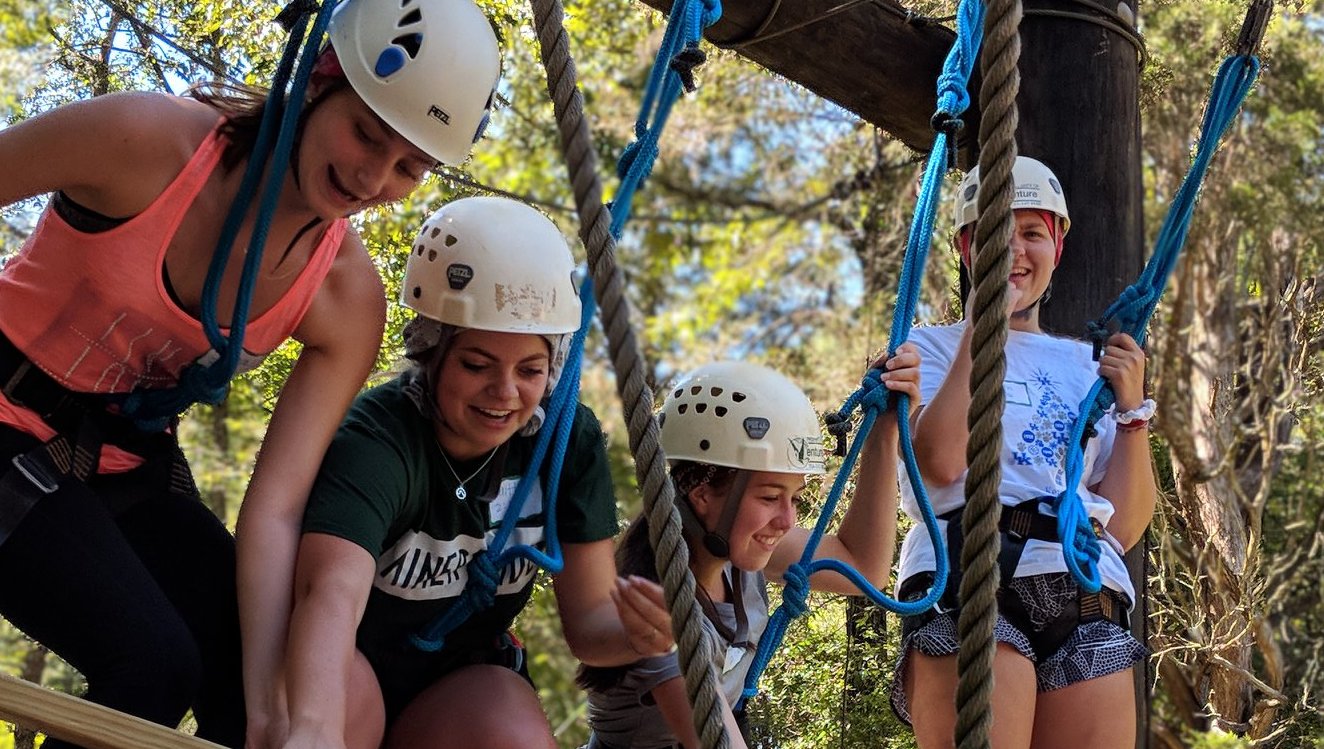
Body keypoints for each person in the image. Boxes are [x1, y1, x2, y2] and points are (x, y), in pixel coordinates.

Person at [0, 0, 499, 746]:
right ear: (318, 78)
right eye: (366, 131)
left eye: (410, 167)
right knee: (153, 663)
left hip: (125, 463)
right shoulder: (145, 142)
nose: (372, 176)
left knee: (253, 684)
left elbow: (272, 513)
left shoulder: (343, 297)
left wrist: (273, 712)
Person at [281, 195, 666, 749]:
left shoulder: (566, 442)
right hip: (340, 658)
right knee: (336, 721)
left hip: (462, 681)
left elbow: (590, 628)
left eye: (531, 370)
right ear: (431, 351)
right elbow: (329, 591)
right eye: (476, 364)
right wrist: (313, 728)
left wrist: (640, 634)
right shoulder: (381, 437)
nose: (505, 393)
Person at [892, 156, 1156, 748]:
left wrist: (1132, 411)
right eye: (994, 234)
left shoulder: (1088, 368)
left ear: (1057, 246)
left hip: (1083, 587)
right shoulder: (927, 349)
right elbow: (941, 463)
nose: (1014, 250)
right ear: (966, 247)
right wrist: (984, 329)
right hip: (970, 567)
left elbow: (1125, 524)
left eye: (1032, 233)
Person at [578, 352, 921, 749]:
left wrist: (884, 432)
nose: (787, 520)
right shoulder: (658, 614)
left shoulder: (733, 555)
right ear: (703, 494)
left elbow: (862, 567)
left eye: (794, 497)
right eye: (771, 496)